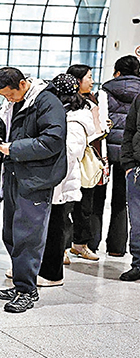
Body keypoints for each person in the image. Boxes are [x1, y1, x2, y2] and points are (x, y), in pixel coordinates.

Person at [0, 65, 67, 313]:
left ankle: (27, 291)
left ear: (22, 84)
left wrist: (12, 148)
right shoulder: (13, 104)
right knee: (11, 233)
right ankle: (21, 282)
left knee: (28, 237)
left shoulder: (46, 101)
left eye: (9, 94)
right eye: (3, 96)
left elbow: (52, 141)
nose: (7, 99)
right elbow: (5, 131)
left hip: (36, 179)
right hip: (13, 174)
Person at [36, 73, 101, 289]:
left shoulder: (76, 119)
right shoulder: (64, 113)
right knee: (48, 227)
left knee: (56, 228)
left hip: (61, 182)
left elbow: (71, 151)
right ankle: (38, 269)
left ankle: (53, 274)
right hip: (52, 180)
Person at [66, 63, 109, 261]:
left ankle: (80, 244)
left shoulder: (93, 100)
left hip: (89, 158)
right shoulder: (65, 101)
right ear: (77, 80)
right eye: (88, 77)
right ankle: (63, 247)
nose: (91, 81)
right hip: (70, 158)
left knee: (86, 204)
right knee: (66, 205)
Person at [100, 55, 140, 259]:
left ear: (117, 72)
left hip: (106, 151)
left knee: (97, 198)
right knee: (122, 200)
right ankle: (117, 247)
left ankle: (88, 243)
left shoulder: (106, 90)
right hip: (130, 154)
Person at [119, 91, 140, 283]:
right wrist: (128, 164)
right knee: (137, 223)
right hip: (137, 169)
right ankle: (138, 264)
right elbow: (130, 130)